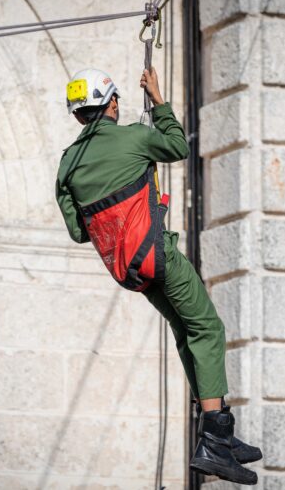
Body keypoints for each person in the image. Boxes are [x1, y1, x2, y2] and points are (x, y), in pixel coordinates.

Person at [55, 67, 261, 485]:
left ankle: (219, 432)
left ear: (77, 115)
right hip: (158, 255)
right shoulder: (134, 137)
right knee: (208, 328)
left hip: (130, 271)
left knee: (186, 331)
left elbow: (79, 231)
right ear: (112, 103)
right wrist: (159, 100)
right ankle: (215, 438)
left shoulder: (67, 165)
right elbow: (177, 145)